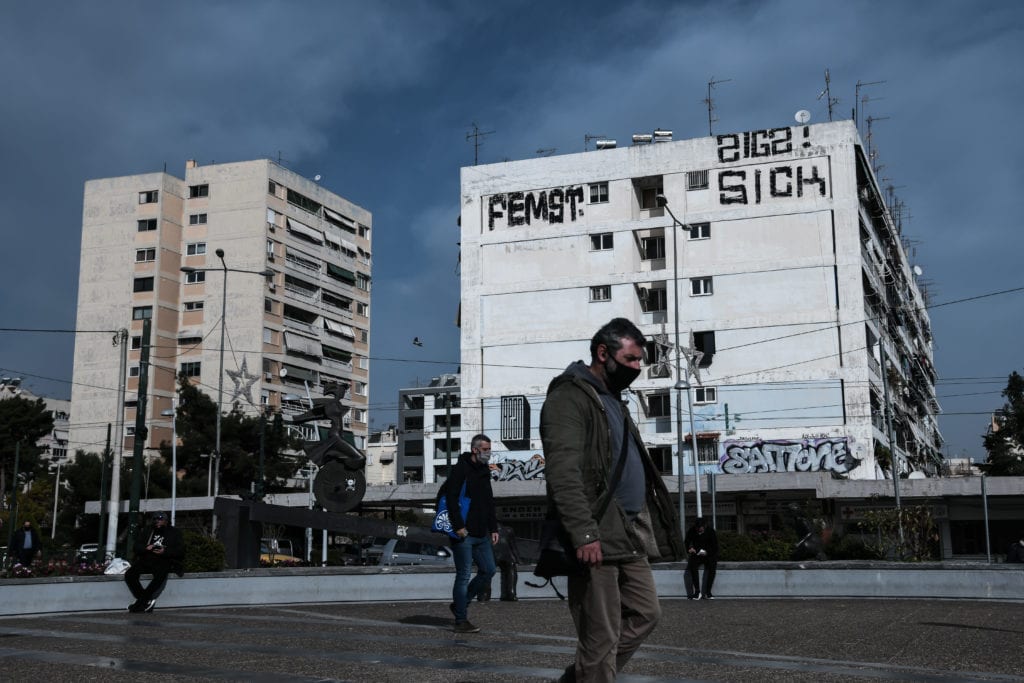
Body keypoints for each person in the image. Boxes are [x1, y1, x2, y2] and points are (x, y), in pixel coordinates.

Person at [540, 318, 685, 682]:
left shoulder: (613, 402)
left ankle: (582, 676)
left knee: (646, 613)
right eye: (631, 359)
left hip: (628, 532)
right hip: (597, 534)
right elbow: (564, 472)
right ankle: (592, 673)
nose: (636, 368)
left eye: (639, 361)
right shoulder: (569, 398)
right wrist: (584, 534)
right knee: (599, 635)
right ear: (603, 354)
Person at [445, 434, 498, 633]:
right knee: (464, 575)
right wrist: (458, 525)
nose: (489, 453)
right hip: (464, 533)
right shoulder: (461, 469)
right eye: (485, 449)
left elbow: (489, 501)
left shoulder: (484, 470)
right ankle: (461, 620)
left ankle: (461, 602)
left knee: (489, 570)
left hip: (482, 532)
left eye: (489, 449)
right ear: (475, 450)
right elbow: (450, 497)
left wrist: (493, 528)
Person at [124, 512, 185, 613]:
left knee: (160, 575)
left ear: (166, 521)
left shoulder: (174, 532)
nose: (157, 521)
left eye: (160, 519)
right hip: (147, 559)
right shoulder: (148, 530)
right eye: (155, 519)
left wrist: (164, 551)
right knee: (129, 574)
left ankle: (141, 602)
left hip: (165, 560)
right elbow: (136, 546)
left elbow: (180, 551)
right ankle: (146, 601)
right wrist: (146, 548)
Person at [685, 517, 719, 599]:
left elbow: (715, 546)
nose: (699, 530)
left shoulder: (711, 532)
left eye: (701, 528)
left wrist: (707, 552)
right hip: (697, 553)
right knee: (692, 566)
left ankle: (708, 592)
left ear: (704, 526)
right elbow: (686, 542)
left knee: (712, 567)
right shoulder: (692, 531)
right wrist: (690, 549)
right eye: (697, 528)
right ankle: (697, 591)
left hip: (708, 554)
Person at [493, 524, 521, 601]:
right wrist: (518, 558)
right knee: (510, 568)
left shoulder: (484, 529)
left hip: (492, 554)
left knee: (486, 571)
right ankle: (511, 593)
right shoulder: (508, 530)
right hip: (506, 556)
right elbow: (513, 546)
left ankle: (484, 595)